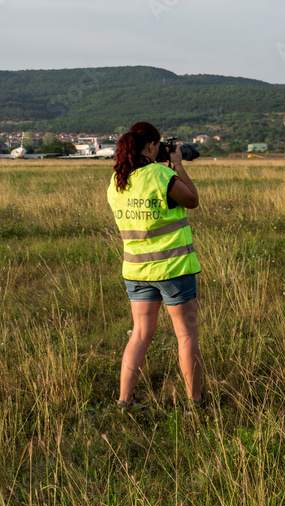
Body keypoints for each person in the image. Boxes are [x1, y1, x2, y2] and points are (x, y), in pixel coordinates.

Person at [106, 121, 204, 411]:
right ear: (151, 147)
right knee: (186, 335)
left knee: (139, 334)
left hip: (137, 271)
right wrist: (178, 165)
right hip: (173, 270)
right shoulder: (161, 175)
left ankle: (125, 401)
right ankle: (194, 404)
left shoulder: (118, 181)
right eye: (159, 144)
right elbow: (193, 200)